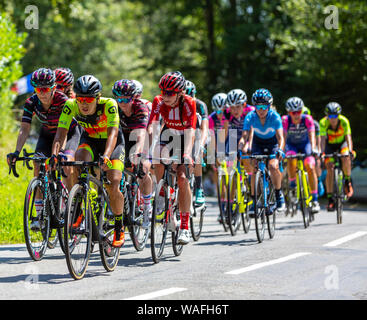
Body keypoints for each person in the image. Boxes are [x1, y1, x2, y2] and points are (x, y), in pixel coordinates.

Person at [51, 75, 126, 248]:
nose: (84, 104)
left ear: (97, 98)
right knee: (78, 161)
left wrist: (106, 156)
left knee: (113, 182)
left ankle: (119, 226)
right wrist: (56, 154)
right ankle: (81, 203)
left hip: (112, 143)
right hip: (90, 140)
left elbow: (113, 134)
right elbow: (60, 133)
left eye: (89, 99)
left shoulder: (109, 105)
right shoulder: (70, 105)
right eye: (80, 99)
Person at [7, 68, 80, 230]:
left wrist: (57, 154)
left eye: (46, 89)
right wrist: (16, 152)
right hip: (47, 134)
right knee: (37, 163)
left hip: (69, 133)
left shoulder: (64, 101)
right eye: (38, 89)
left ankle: (72, 206)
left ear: (54, 87)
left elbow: (63, 132)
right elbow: (24, 129)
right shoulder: (31, 102)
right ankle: (39, 215)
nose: (42, 93)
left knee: (66, 164)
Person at [147, 71, 196, 245]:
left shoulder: (189, 103)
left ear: (180, 93)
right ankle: (162, 192)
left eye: (170, 93)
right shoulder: (158, 101)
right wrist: (149, 149)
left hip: (185, 138)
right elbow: (152, 125)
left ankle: (184, 227)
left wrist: (187, 154)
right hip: (168, 134)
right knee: (157, 156)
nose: (165, 96)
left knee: (182, 178)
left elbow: (191, 131)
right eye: (163, 92)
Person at [112, 79, 152, 229]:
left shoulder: (141, 107)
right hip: (124, 137)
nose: (122, 102)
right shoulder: (114, 107)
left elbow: (142, 135)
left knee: (142, 169)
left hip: (141, 136)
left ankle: (147, 206)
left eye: (126, 99)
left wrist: (138, 154)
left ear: (133, 97)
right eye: (119, 99)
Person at [238, 88, 286, 212]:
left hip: (272, 143)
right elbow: (244, 136)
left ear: (269, 105)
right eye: (258, 107)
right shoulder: (250, 116)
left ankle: (278, 194)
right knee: (254, 168)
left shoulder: (275, 116)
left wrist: (280, 150)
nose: (261, 110)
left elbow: (281, 138)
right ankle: (254, 200)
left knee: (273, 166)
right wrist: (240, 148)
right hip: (258, 144)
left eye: (264, 106)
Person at [282, 97, 320, 213]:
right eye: (294, 112)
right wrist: (281, 150)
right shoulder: (285, 120)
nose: (297, 115)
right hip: (291, 145)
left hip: (305, 145)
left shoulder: (307, 119)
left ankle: (314, 199)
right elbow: (282, 137)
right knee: (290, 158)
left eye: (299, 111)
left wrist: (314, 147)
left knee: (310, 165)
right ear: (289, 112)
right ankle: (292, 183)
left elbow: (312, 135)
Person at [320, 102, 354, 211]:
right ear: (327, 116)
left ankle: (347, 181)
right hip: (329, 145)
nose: (333, 119)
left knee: (345, 156)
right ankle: (330, 198)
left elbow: (348, 137)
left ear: (338, 115)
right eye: (330, 116)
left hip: (341, 144)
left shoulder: (344, 121)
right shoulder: (323, 123)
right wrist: (322, 153)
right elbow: (322, 139)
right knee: (329, 168)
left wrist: (349, 150)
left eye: (335, 116)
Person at [185, 80, 209, 206]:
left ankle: (199, 188)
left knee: (197, 152)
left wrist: (201, 145)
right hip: (182, 134)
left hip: (199, 133)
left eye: (191, 96)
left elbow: (205, 128)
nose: (190, 99)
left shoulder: (200, 105)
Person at [302, 105, 324, 197]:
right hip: (301, 144)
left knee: (317, 161)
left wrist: (318, 150)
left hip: (311, 144)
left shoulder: (314, 124)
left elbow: (318, 139)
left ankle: (318, 180)